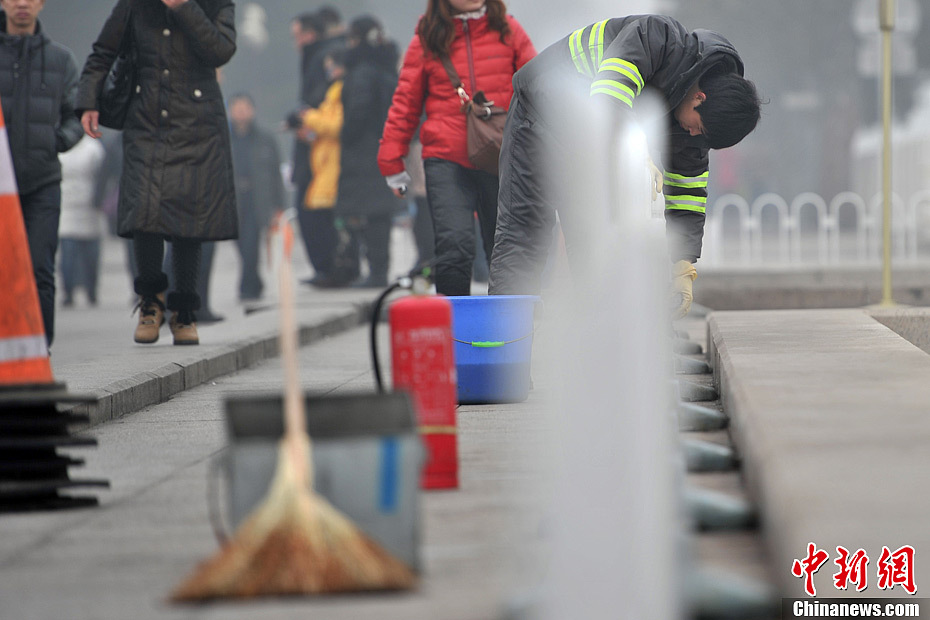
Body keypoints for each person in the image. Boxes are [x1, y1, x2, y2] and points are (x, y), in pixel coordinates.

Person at [487, 15, 762, 319]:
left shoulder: (692, 130)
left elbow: (688, 194)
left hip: (587, 139)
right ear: (700, 97)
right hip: (541, 112)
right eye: (700, 128)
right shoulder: (658, 37)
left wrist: (683, 265)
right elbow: (609, 96)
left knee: (596, 245)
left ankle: (596, 352)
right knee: (525, 234)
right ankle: (505, 346)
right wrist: (636, 151)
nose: (695, 135)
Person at [76, 0, 238, 346]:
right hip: (145, 121)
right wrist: (88, 100)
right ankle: (150, 300)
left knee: (189, 222)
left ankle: (185, 311)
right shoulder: (134, 5)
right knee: (143, 215)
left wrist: (184, 7)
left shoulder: (215, 4)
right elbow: (102, 52)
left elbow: (221, 50)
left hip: (197, 125)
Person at [378, 0, 536, 296]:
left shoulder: (509, 30)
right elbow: (405, 103)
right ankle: (453, 334)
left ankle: (508, 331)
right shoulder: (427, 37)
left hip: (501, 156)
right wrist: (391, 160)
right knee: (453, 248)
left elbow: (537, 87)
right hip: (446, 160)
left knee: (506, 251)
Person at [0, 0, 82, 347]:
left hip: (42, 182)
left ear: (41, 3)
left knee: (39, 268)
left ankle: (39, 348)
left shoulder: (61, 60)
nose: (22, 4)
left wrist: (57, 140)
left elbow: (76, 114)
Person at [339, 16, 404, 289]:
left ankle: (377, 272)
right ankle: (378, 269)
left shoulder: (363, 71)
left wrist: (346, 136)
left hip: (365, 152)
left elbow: (358, 111)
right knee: (381, 214)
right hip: (386, 144)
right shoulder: (387, 67)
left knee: (373, 214)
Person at [285, 48, 345, 287]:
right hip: (323, 166)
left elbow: (335, 124)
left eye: (332, 65)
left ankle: (334, 269)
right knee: (316, 216)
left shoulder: (341, 89)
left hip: (332, 166)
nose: (329, 70)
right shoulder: (332, 90)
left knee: (324, 220)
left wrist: (307, 118)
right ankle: (328, 270)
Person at [228, 92, 284, 301]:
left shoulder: (265, 139)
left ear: (252, 110)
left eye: (245, 108)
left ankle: (247, 288)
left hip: (257, 198)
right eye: (237, 108)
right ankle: (255, 282)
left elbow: (275, 174)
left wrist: (279, 206)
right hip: (233, 199)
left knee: (251, 243)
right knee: (241, 245)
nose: (241, 112)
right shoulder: (223, 137)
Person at [58, 135, 106, 308]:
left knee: (68, 252)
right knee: (90, 254)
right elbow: (102, 174)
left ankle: (68, 292)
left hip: (67, 203)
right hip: (89, 202)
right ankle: (91, 291)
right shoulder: (93, 148)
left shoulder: (59, 143)